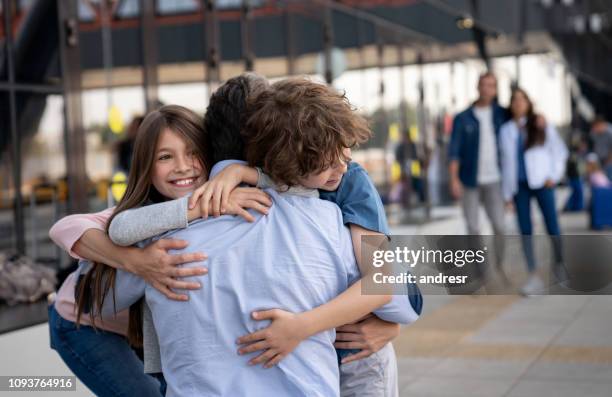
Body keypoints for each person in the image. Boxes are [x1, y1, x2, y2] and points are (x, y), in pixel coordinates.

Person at [87, 78, 417, 396]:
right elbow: (402, 288)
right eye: (166, 157)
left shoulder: (159, 241)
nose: (341, 167)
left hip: (343, 356)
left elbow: (91, 296)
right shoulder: (324, 220)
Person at [48, 105, 271, 396]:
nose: (183, 165)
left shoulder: (223, 202)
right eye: (165, 157)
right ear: (146, 167)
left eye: (193, 152)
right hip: (83, 324)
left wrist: (240, 172)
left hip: (140, 333)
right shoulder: (141, 215)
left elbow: (286, 185)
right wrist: (137, 261)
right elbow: (63, 228)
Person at [499, 88, 568, 295]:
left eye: (522, 99)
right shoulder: (506, 130)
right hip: (519, 187)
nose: (518, 103)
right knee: (525, 230)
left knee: (552, 225)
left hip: (542, 184)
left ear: (529, 103)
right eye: (515, 100)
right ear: (511, 105)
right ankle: (533, 277)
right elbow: (505, 164)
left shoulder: (541, 124)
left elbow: (559, 152)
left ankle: (559, 266)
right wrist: (506, 195)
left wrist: (553, 176)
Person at [448, 72, 509, 274]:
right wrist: (454, 179)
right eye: (484, 85)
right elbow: (454, 151)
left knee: (500, 226)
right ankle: (482, 271)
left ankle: (499, 265)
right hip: (469, 180)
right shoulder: (462, 118)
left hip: (496, 180)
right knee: (473, 228)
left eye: (491, 85)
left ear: (496, 89)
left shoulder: (502, 114)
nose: (487, 89)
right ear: (478, 87)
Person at [589, 115, 612, 181]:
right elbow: (593, 145)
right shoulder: (593, 133)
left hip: (609, 161)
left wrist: (608, 161)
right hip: (599, 160)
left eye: (596, 127)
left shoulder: (610, 132)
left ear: (601, 124)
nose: (594, 129)